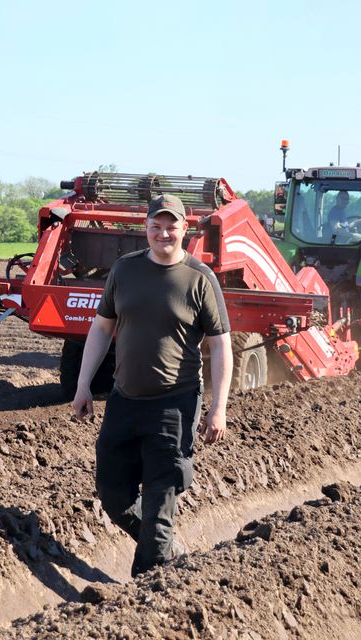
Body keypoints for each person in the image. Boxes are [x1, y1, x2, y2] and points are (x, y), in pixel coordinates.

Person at [71, 192, 233, 577]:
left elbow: (220, 344)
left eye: (171, 226)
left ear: (184, 229)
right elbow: (101, 328)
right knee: (112, 495)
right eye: (156, 226)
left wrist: (218, 407)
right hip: (124, 399)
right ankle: (166, 549)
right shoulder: (124, 271)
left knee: (160, 505)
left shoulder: (200, 279)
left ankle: (147, 592)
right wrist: (82, 385)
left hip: (174, 405)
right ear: (145, 228)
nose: (164, 233)